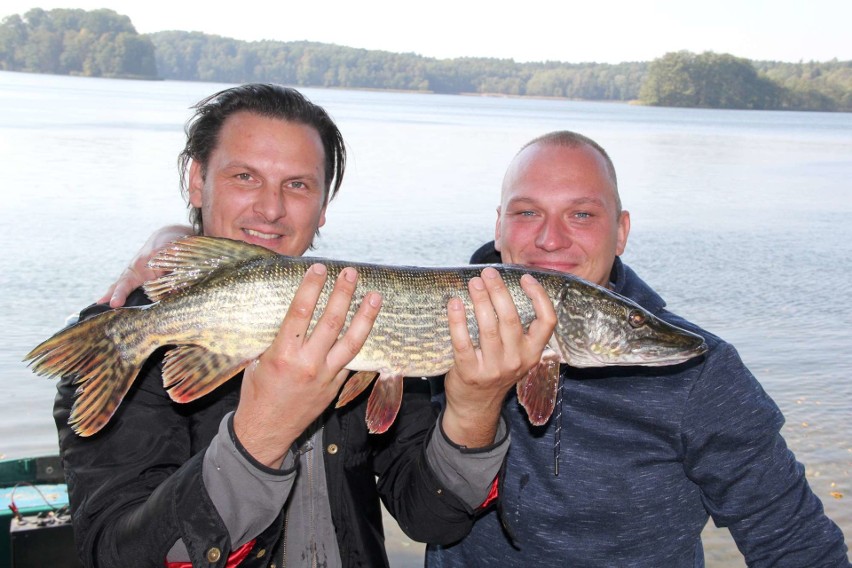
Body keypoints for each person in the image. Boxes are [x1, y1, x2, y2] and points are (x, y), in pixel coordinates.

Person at [53, 83, 557, 568]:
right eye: (244, 177)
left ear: (323, 208)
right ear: (196, 180)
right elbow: (115, 552)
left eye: (297, 185)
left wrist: (475, 407)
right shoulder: (120, 342)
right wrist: (259, 435)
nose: (270, 209)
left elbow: (433, 517)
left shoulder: (365, 318)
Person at [424, 131, 850, 566]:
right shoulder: (433, 330)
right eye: (528, 211)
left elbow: (794, 540)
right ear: (499, 227)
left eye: (582, 214)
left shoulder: (699, 372)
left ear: (621, 231)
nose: (550, 239)